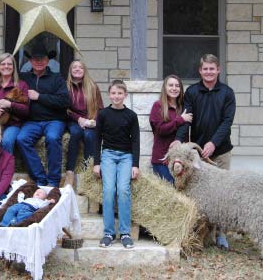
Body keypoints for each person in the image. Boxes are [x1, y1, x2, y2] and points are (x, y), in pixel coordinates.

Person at [173, 54, 236, 250]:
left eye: (212, 68)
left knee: (222, 194)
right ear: (200, 71)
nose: (208, 72)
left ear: (218, 70)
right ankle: (201, 235)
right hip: (198, 155)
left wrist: (214, 143)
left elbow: (227, 122)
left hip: (221, 150)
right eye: (205, 69)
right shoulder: (192, 92)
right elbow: (187, 119)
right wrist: (178, 139)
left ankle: (221, 234)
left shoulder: (227, 93)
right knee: (200, 196)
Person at [16, 42, 70, 187]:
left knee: (52, 138)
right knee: (21, 139)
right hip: (32, 121)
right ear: (30, 61)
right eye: (35, 59)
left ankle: (53, 181)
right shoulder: (23, 78)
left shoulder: (57, 78)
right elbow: (5, 82)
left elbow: (65, 101)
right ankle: (40, 178)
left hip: (54, 120)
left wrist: (39, 97)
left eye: (42, 59)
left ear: (47, 61)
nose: (39, 62)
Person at [94, 80, 140, 249]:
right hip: (108, 156)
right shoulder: (103, 114)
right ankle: (108, 233)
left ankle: (125, 233)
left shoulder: (131, 116)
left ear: (125, 95)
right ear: (109, 95)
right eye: (113, 93)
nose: (116, 96)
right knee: (108, 190)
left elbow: (135, 141)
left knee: (123, 190)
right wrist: (96, 163)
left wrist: (135, 164)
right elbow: (97, 138)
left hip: (126, 157)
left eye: (120, 93)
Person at [64, 60, 103, 187]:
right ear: (70, 71)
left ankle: (88, 171)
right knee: (75, 133)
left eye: (80, 67)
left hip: (90, 120)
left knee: (89, 136)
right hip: (73, 120)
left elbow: (100, 107)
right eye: (74, 67)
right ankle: (69, 172)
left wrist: (93, 121)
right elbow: (64, 109)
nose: (77, 69)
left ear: (84, 70)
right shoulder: (66, 87)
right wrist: (79, 119)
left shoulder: (92, 86)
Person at [149, 74, 193, 184]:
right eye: (171, 85)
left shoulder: (183, 107)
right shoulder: (158, 106)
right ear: (165, 87)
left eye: (177, 86)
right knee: (170, 190)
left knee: (182, 192)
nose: (174, 88)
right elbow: (160, 130)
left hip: (181, 159)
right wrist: (180, 119)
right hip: (162, 159)